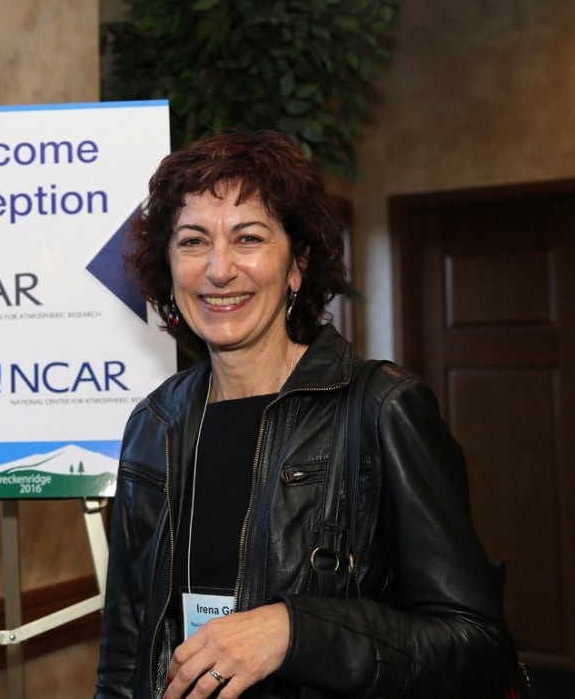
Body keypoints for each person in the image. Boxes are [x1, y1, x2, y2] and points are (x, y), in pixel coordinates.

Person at [94, 130, 527, 698]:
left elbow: (476, 644)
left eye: (249, 238)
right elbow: (126, 651)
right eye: (193, 241)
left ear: (296, 265)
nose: (219, 269)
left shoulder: (381, 408)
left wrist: (295, 632)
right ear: (168, 265)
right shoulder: (155, 424)